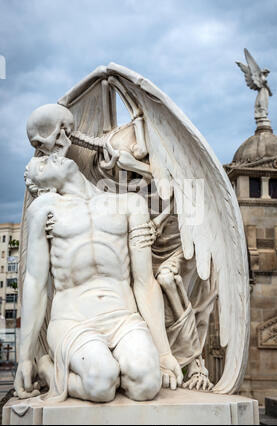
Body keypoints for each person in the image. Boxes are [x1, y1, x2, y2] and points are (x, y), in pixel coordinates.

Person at [15, 153, 182, 402]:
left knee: (147, 384)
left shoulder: (130, 204)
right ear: (45, 187)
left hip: (123, 318)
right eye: (41, 165)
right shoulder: (44, 208)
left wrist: (165, 353)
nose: (50, 158)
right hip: (74, 320)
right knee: (101, 384)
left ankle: (113, 368)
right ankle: (48, 368)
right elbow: (35, 284)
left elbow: (145, 283)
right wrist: (25, 358)